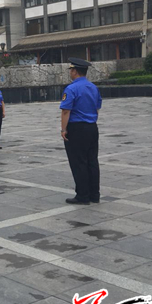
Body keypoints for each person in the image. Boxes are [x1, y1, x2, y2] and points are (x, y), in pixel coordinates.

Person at [61, 58, 102, 205]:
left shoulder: (71, 88)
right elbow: (97, 108)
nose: (70, 73)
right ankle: (94, 194)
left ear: (74, 71)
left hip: (77, 128)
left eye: (71, 70)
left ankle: (83, 195)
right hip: (92, 127)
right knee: (92, 161)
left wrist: (64, 129)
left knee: (79, 162)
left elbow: (66, 111)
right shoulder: (93, 87)